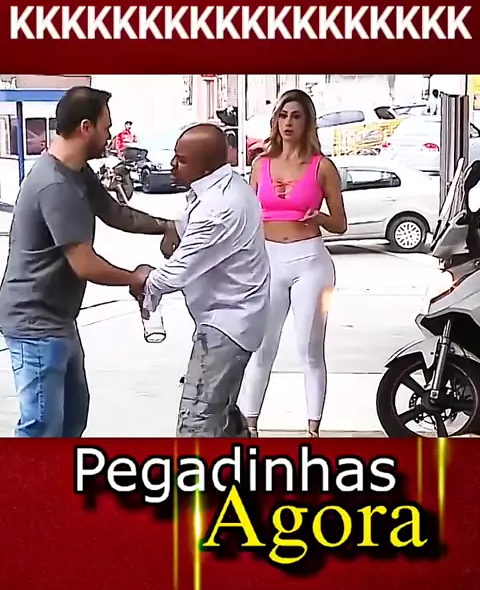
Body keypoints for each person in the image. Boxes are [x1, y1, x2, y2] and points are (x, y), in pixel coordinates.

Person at [0, 86, 171, 439]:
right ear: (85, 127)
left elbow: (116, 213)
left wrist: (168, 226)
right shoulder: (53, 184)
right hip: (34, 321)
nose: (110, 135)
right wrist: (135, 278)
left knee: (73, 418)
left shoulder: (77, 172)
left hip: (59, 318)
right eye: (106, 127)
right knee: (42, 427)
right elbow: (85, 264)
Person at [137, 123, 270, 438]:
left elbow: (179, 271)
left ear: (206, 165)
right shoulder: (223, 188)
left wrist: (145, 282)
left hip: (226, 324)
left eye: (181, 160)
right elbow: (185, 229)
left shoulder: (220, 206)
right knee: (220, 414)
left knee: (197, 422)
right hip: (234, 319)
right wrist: (172, 229)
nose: (172, 164)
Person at [241, 88, 347, 437]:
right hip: (269, 260)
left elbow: (340, 224)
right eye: (283, 115)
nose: (288, 123)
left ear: (307, 122)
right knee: (262, 346)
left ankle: (313, 429)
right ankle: (250, 425)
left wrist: (319, 217)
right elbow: (249, 217)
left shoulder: (322, 167)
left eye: (296, 116)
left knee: (309, 348)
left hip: (310, 262)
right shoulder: (261, 165)